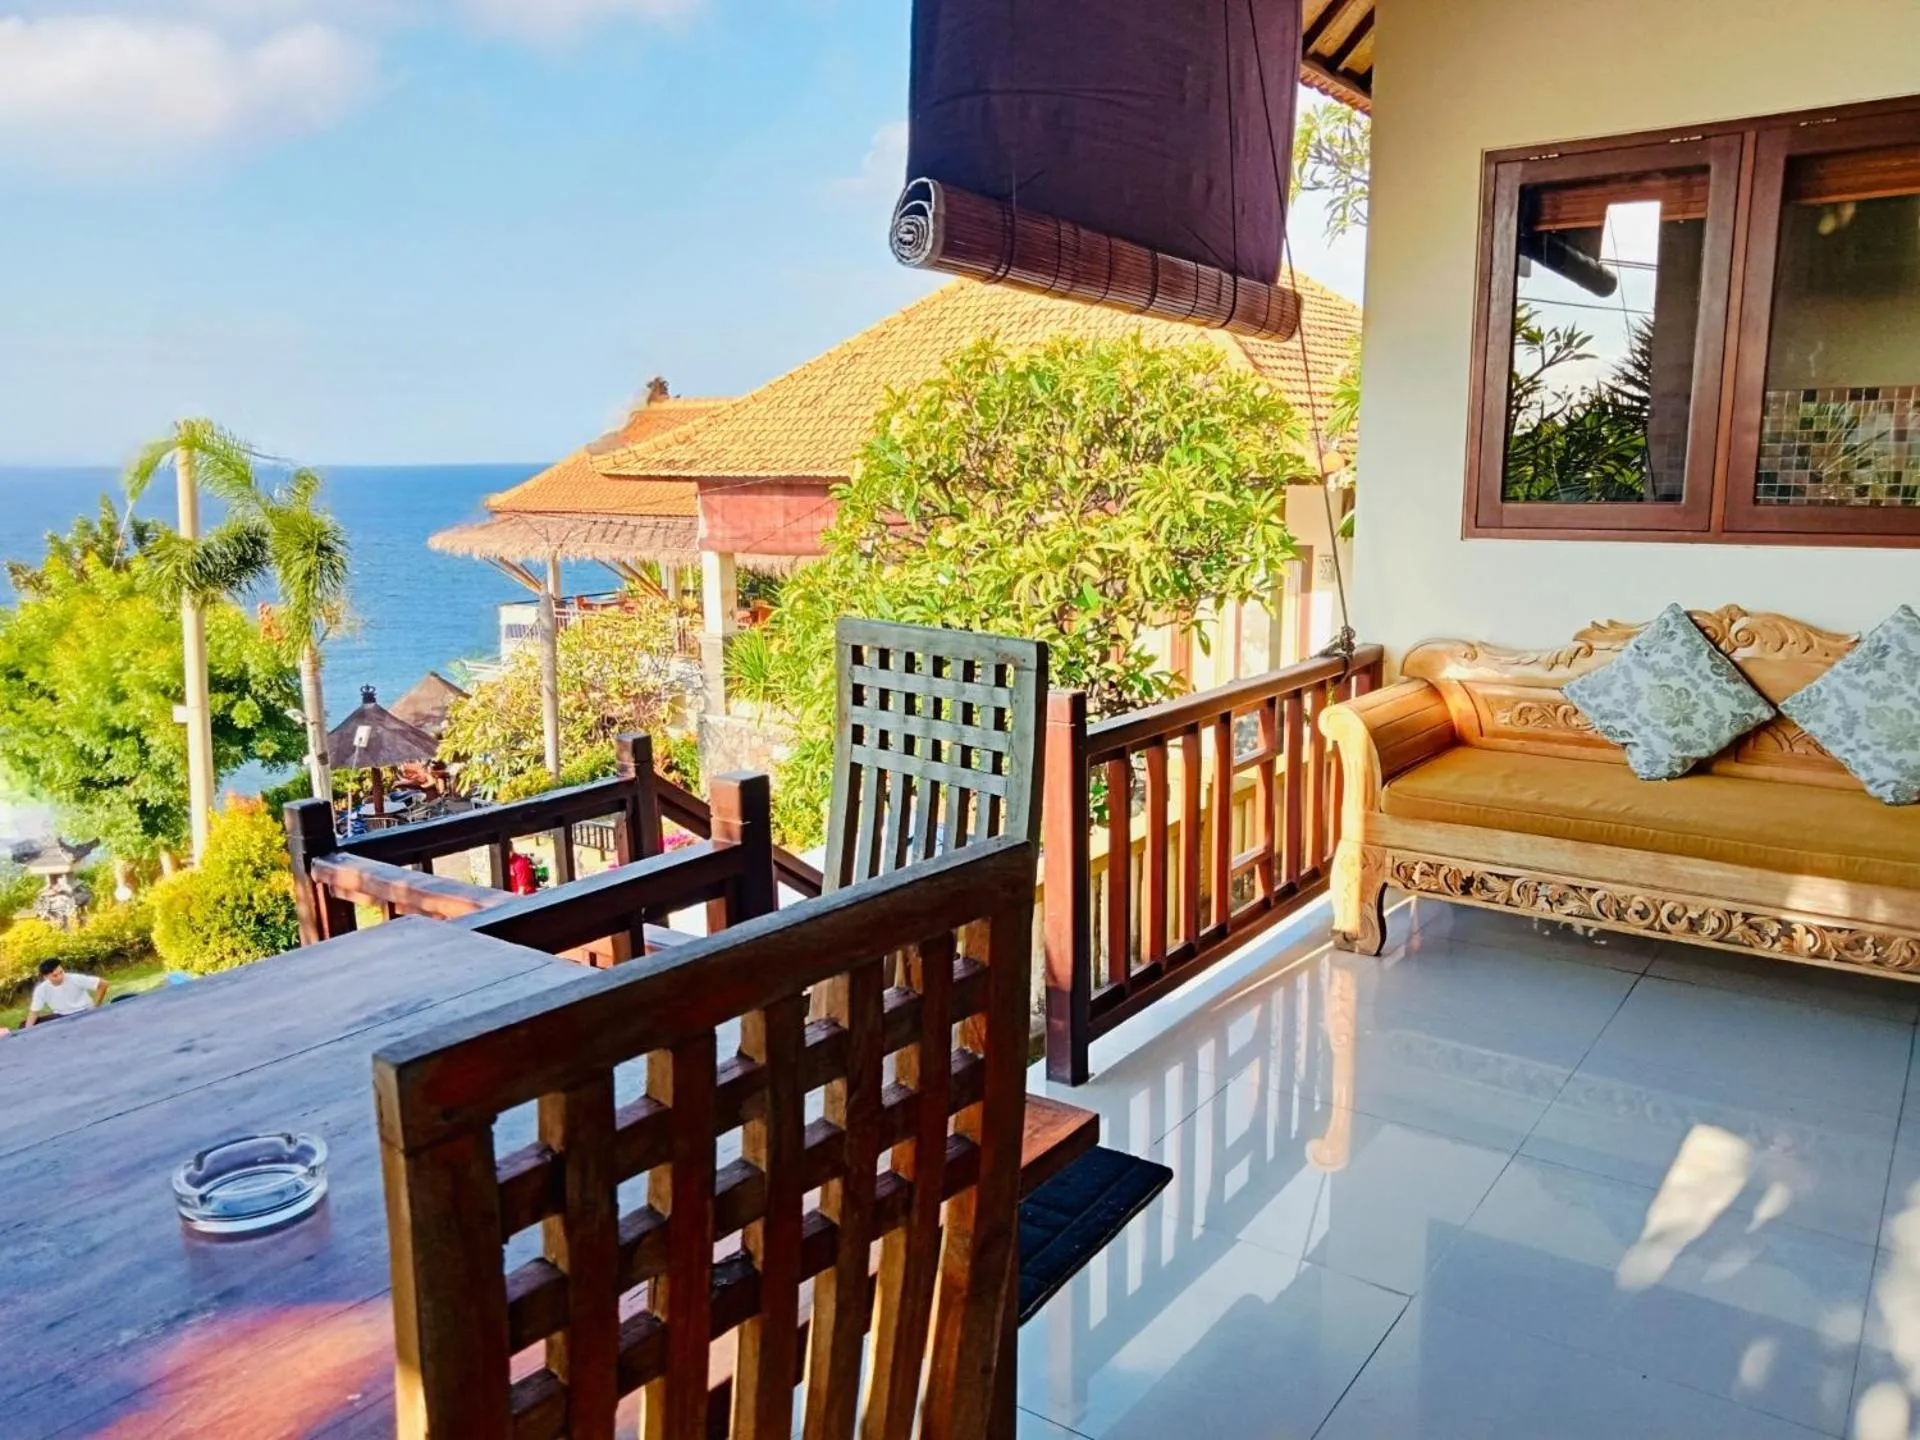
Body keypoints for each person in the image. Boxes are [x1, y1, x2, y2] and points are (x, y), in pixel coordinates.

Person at [24, 958, 107, 1027]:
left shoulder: (75, 979)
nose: (60, 977)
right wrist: (27, 1031)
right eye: (55, 975)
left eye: (61, 972)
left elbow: (103, 984)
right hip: (61, 1017)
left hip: (84, 1011)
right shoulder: (42, 989)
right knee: (24, 1025)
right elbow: (34, 1012)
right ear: (46, 977)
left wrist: (97, 1006)